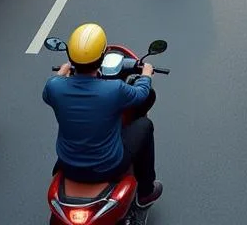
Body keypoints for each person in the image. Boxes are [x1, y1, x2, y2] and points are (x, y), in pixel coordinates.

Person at [43, 23, 163, 208]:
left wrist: (61, 73)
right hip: (109, 165)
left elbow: (51, 88)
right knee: (145, 125)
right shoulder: (114, 89)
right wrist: (146, 75)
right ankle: (146, 192)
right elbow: (141, 94)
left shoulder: (54, 87)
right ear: (102, 57)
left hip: (67, 164)